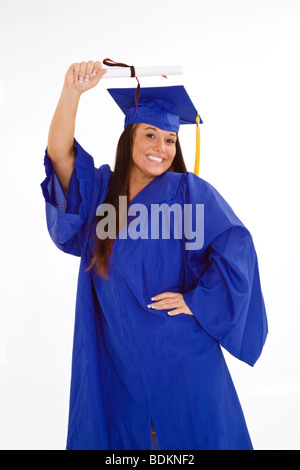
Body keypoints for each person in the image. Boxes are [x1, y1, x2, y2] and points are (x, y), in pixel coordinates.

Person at [41, 60, 268, 450]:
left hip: (182, 359)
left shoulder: (188, 194)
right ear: (130, 138)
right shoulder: (102, 196)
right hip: (116, 359)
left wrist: (199, 301)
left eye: (169, 140)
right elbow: (60, 155)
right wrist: (71, 93)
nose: (160, 148)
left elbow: (237, 247)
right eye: (150, 135)